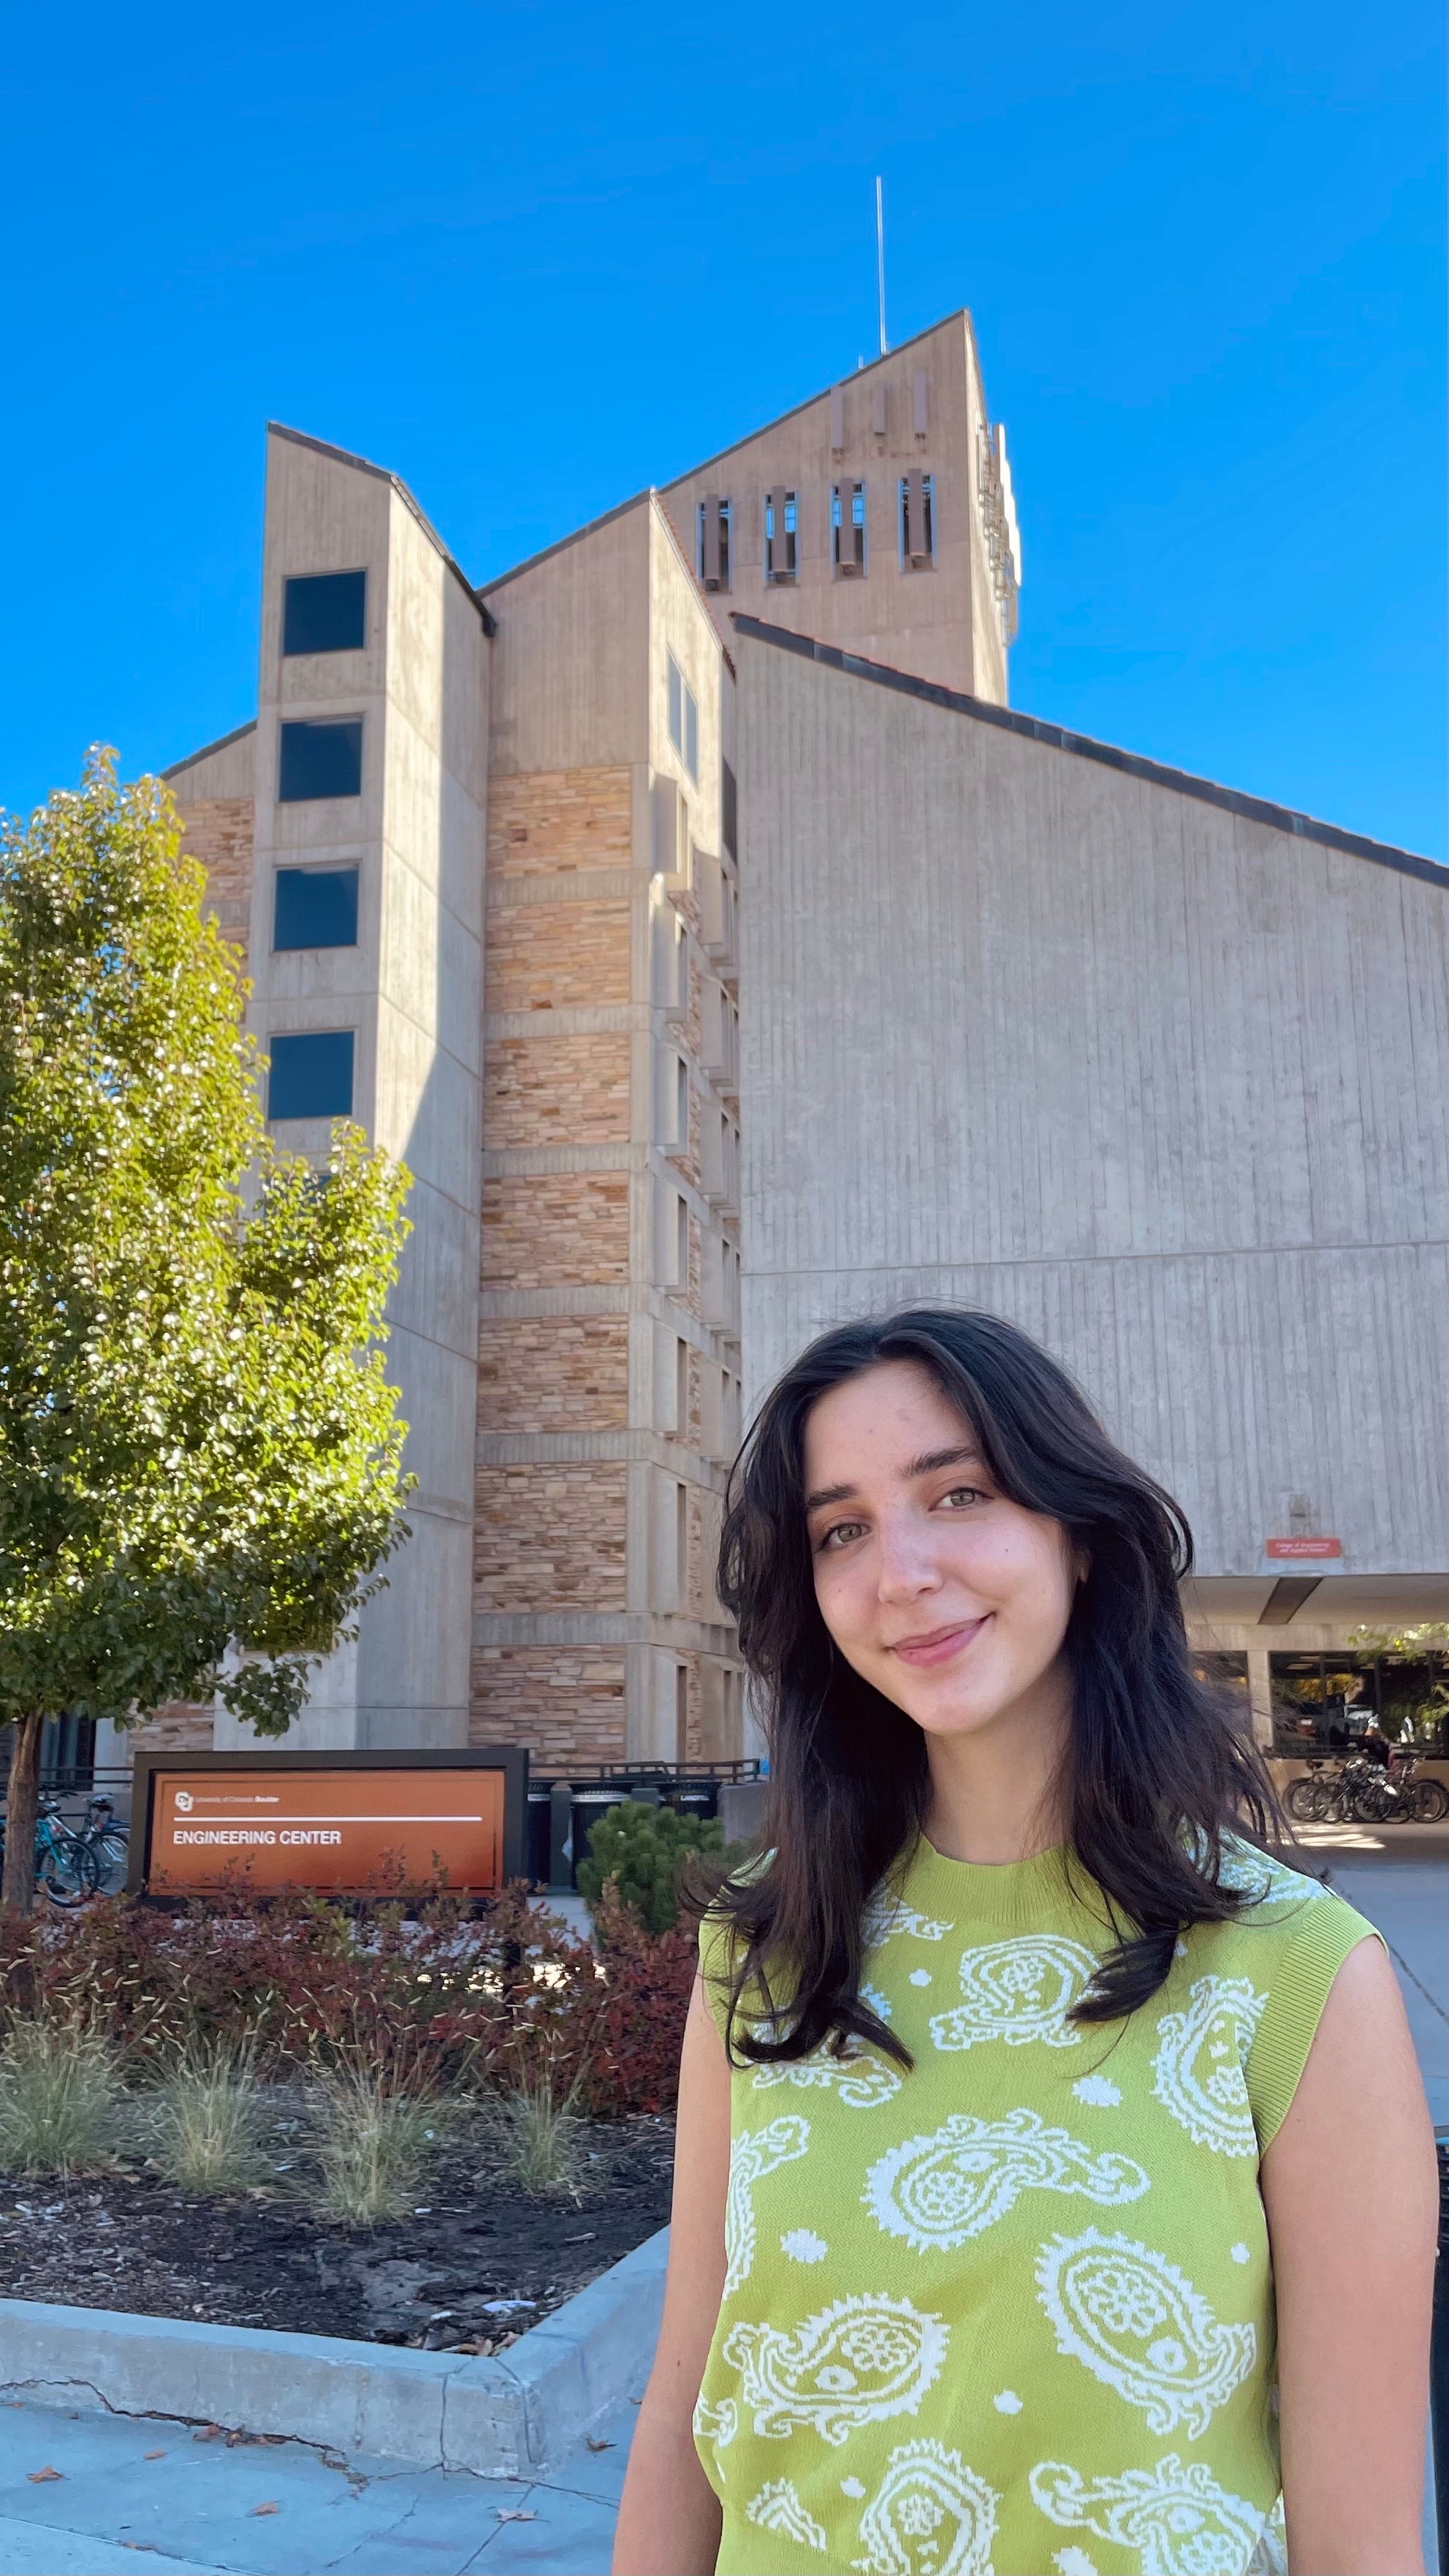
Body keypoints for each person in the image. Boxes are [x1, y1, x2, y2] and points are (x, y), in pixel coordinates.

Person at [612, 1308, 1437, 2576]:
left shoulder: (1298, 1972)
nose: (902, 1571)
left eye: (959, 1493)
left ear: (1079, 1533)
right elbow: (685, 2410)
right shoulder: (765, 1941)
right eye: (843, 1528)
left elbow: (1362, 2546)